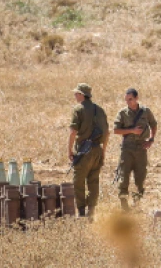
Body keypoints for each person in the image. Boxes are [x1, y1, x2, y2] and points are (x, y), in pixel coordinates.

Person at [112, 88, 157, 210]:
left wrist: (151, 140)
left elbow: (153, 124)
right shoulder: (122, 113)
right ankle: (124, 204)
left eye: (130, 99)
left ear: (137, 98)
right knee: (123, 176)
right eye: (126, 100)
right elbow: (116, 130)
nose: (128, 102)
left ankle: (137, 202)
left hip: (141, 148)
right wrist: (131, 130)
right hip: (127, 148)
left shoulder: (145, 111)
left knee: (140, 176)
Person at [68, 83, 109, 218]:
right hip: (97, 150)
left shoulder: (78, 109)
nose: (75, 96)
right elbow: (107, 133)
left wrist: (69, 150)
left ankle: (81, 212)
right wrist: (103, 152)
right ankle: (91, 211)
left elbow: (73, 132)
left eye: (76, 93)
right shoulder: (100, 110)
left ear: (81, 95)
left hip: (83, 151)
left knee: (78, 182)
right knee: (93, 182)